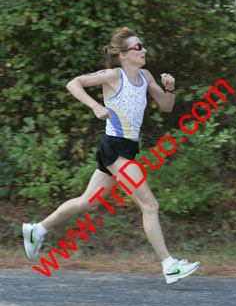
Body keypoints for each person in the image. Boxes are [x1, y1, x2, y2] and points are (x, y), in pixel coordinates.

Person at [22, 27, 200, 285]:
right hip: (115, 149)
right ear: (123, 55)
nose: (144, 50)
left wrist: (169, 89)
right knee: (149, 205)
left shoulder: (146, 75)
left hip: (127, 148)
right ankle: (169, 265)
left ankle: (37, 229)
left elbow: (166, 106)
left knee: (88, 202)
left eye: (143, 46)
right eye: (138, 47)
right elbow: (73, 83)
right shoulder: (112, 75)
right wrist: (95, 105)